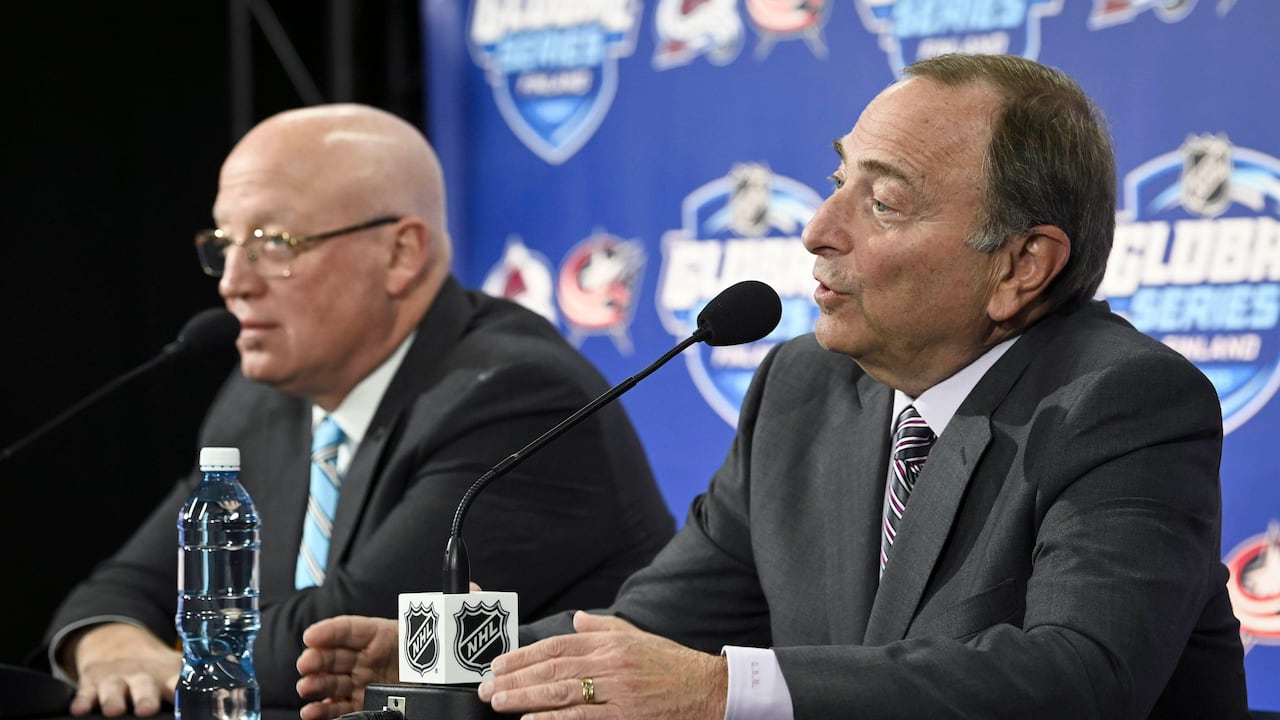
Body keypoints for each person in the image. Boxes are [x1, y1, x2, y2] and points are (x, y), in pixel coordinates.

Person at [294, 53, 1252, 719]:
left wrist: (719, 695)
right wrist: (450, 663)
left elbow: (1080, 679)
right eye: (836, 179)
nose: (818, 228)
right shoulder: (804, 387)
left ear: (1023, 265)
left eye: (882, 201)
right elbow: (655, 624)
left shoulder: (1123, 404)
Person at [39, 102, 676, 717]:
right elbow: (129, 583)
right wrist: (114, 646)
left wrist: (175, 657)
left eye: (273, 241)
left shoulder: (518, 397)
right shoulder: (262, 401)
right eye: (225, 243)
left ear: (401, 253)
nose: (233, 280)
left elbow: (342, 639)